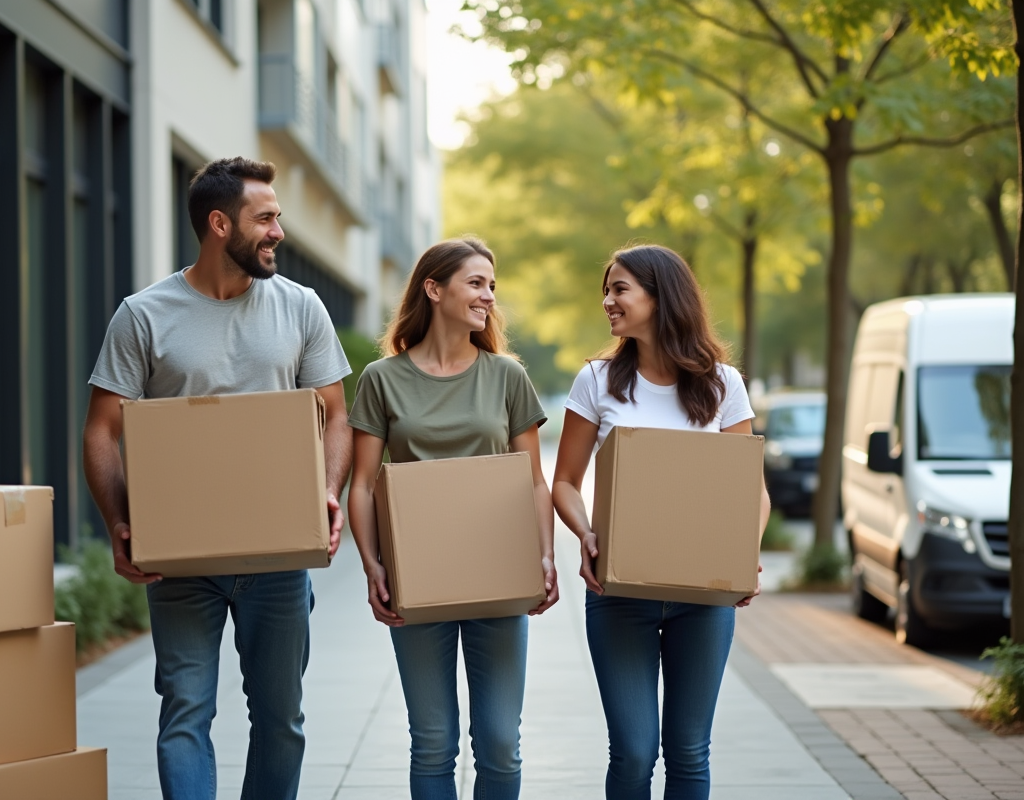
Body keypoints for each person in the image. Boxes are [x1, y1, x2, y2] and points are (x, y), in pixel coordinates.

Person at [82, 157, 353, 800]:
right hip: (180, 558)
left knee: (281, 720)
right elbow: (101, 428)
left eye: (277, 218)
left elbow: (337, 416)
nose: (278, 231)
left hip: (279, 553)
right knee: (185, 713)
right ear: (218, 223)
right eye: (265, 218)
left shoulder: (301, 307)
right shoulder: (144, 315)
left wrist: (326, 489)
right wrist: (118, 519)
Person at [551, 244, 770, 800]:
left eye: (620, 289)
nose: (608, 301)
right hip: (619, 591)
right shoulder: (596, 381)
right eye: (608, 289)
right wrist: (586, 534)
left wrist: (744, 554)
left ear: (660, 295)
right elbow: (565, 482)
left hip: (704, 597)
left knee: (689, 752)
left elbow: (750, 491)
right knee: (634, 750)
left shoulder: (723, 384)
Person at [346, 237, 559, 800]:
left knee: (498, 741)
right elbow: (363, 484)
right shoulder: (382, 379)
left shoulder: (506, 376)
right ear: (433, 289)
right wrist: (373, 566)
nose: (488, 295)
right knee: (434, 742)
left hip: (497, 570)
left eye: (492, 285)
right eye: (475, 282)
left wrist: (544, 556)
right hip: (418, 580)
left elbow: (534, 479)